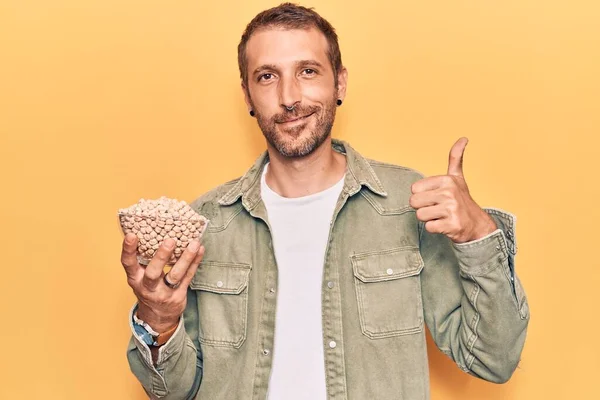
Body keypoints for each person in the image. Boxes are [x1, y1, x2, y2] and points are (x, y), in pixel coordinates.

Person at [121, 3, 529, 399]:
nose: (289, 97)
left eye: (308, 71)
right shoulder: (208, 221)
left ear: (340, 83)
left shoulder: (411, 204)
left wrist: (479, 235)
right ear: (247, 96)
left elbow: (493, 360)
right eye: (266, 76)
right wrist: (160, 320)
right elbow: (172, 391)